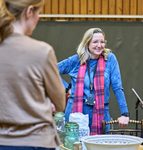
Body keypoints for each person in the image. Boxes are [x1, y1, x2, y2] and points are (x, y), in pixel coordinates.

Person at [0, 0, 66, 149]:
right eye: (38, 13)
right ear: (29, 11)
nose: (39, 18)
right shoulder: (42, 51)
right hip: (35, 141)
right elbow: (60, 103)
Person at [58, 28, 129, 135]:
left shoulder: (110, 59)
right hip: (75, 112)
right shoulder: (76, 60)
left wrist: (125, 113)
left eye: (102, 42)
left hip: (101, 113)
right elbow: (50, 70)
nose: (99, 45)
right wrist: (66, 88)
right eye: (95, 42)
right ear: (87, 43)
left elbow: (117, 87)